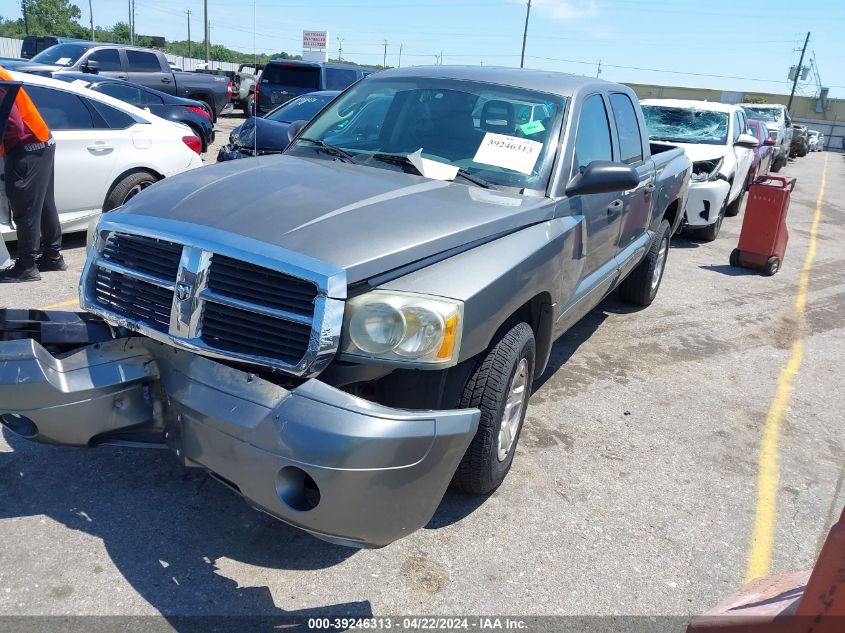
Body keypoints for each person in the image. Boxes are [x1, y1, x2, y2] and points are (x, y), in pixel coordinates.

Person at [0, 67, 64, 283]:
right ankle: (52, 257)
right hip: (41, 143)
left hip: (26, 147)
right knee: (44, 205)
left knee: (25, 208)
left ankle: (27, 267)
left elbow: (13, 126)